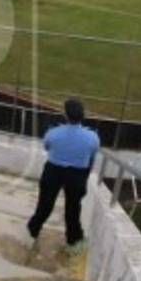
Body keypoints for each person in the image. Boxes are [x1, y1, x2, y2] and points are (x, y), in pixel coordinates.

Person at [27, 98, 99, 250]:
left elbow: (47, 147)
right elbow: (92, 155)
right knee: (73, 208)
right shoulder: (92, 137)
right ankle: (73, 239)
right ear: (83, 115)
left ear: (65, 115)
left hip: (53, 170)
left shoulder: (53, 133)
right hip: (78, 175)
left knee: (45, 204)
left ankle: (34, 228)